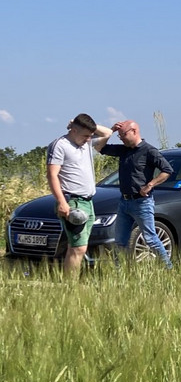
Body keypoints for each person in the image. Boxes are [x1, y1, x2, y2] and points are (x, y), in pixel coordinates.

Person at [97, 120, 174, 268]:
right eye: (119, 136)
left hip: (142, 202)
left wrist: (150, 185)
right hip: (124, 202)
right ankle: (120, 273)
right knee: (120, 241)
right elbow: (99, 147)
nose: (122, 138)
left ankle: (168, 268)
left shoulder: (149, 151)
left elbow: (167, 170)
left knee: (150, 238)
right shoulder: (124, 150)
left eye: (123, 135)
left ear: (134, 131)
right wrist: (110, 131)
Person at [46, 113, 112, 276]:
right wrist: (62, 202)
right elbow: (52, 175)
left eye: (91, 136)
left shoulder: (86, 143)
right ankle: (70, 285)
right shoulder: (60, 145)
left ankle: (71, 281)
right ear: (73, 131)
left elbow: (107, 133)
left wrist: (89, 128)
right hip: (73, 201)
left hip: (88, 201)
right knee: (78, 247)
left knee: (79, 246)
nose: (89, 139)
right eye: (85, 135)